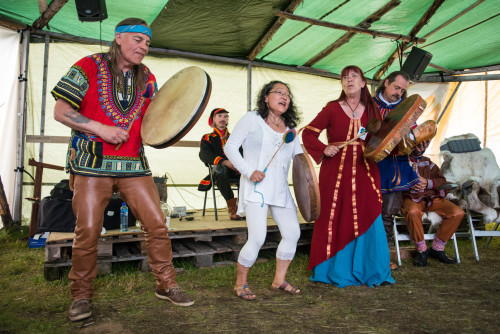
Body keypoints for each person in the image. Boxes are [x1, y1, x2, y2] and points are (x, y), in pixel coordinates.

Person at [51, 18, 194, 322]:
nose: (144, 46)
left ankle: (166, 283)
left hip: (133, 165)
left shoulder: (149, 79)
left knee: (157, 224)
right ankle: (81, 295)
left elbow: (157, 120)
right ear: (118, 38)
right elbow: (61, 111)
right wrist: (100, 128)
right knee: (88, 231)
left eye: (147, 42)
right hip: (91, 164)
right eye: (137, 39)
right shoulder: (88, 66)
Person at [302, 65, 395, 287]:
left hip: (365, 170)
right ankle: (331, 268)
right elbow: (308, 133)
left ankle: (369, 267)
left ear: (364, 83)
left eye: (354, 76)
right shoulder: (332, 109)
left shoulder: (373, 110)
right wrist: (324, 148)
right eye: (345, 77)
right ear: (342, 84)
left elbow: (384, 138)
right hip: (335, 171)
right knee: (334, 214)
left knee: (368, 211)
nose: (349, 80)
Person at [224, 81, 303, 299]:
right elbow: (230, 147)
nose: (284, 97)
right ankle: (240, 283)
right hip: (256, 187)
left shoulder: (290, 130)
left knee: (293, 233)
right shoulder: (252, 119)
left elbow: (300, 160)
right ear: (266, 97)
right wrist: (249, 171)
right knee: (257, 238)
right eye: (279, 92)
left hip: (281, 190)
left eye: (287, 94)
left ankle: (279, 280)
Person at [373, 71, 433, 270]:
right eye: (396, 88)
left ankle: (384, 256)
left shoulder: (407, 110)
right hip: (370, 168)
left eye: (402, 90)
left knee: (387, 215)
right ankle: (364, 255)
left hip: (396, 171)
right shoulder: (369, 106)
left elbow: (412, 143)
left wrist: (418, 149)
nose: (399, 93)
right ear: (386, 83)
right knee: (368, 213)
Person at [401, 156, 464, 266]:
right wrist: (410, 183)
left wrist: (428, 182)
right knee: (413, 212)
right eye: (420, 143)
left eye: (426, 143)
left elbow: (442, 180)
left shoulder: (427, 161)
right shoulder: (398, 161)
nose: (423, 145)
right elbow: (390, 180)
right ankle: (422, 251)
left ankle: (437, 249)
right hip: (410, 198)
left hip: (431, 197)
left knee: (457, 213)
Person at [198, 108, 242, 220]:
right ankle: (233, 207)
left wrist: (239, 164)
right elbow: (204, 155)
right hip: (219, 172)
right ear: (213, 119)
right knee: (220, 170)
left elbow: (242, 153)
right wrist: (224, 162)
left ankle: (243, 207)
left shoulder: (234, 137)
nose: (223, 119)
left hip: (235, 171)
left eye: (225, 116)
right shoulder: (207, 138)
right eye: (220, 116)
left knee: (247, 173)